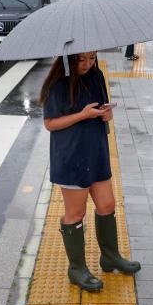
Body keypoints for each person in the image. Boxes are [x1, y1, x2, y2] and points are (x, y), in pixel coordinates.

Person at [40, 51, 141, 292]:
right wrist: (82, 115)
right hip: (72, 155)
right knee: (76, 213)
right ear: (69, 58)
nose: (87, 64)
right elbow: (50, 123)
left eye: (92, 58)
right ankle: (77, 269)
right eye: (81, 59)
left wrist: (107, 114)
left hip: (96, 151)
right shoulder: (58, 83)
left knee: (107, 205)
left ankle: (110, 257)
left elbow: (102, 107)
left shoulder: (96, 76)